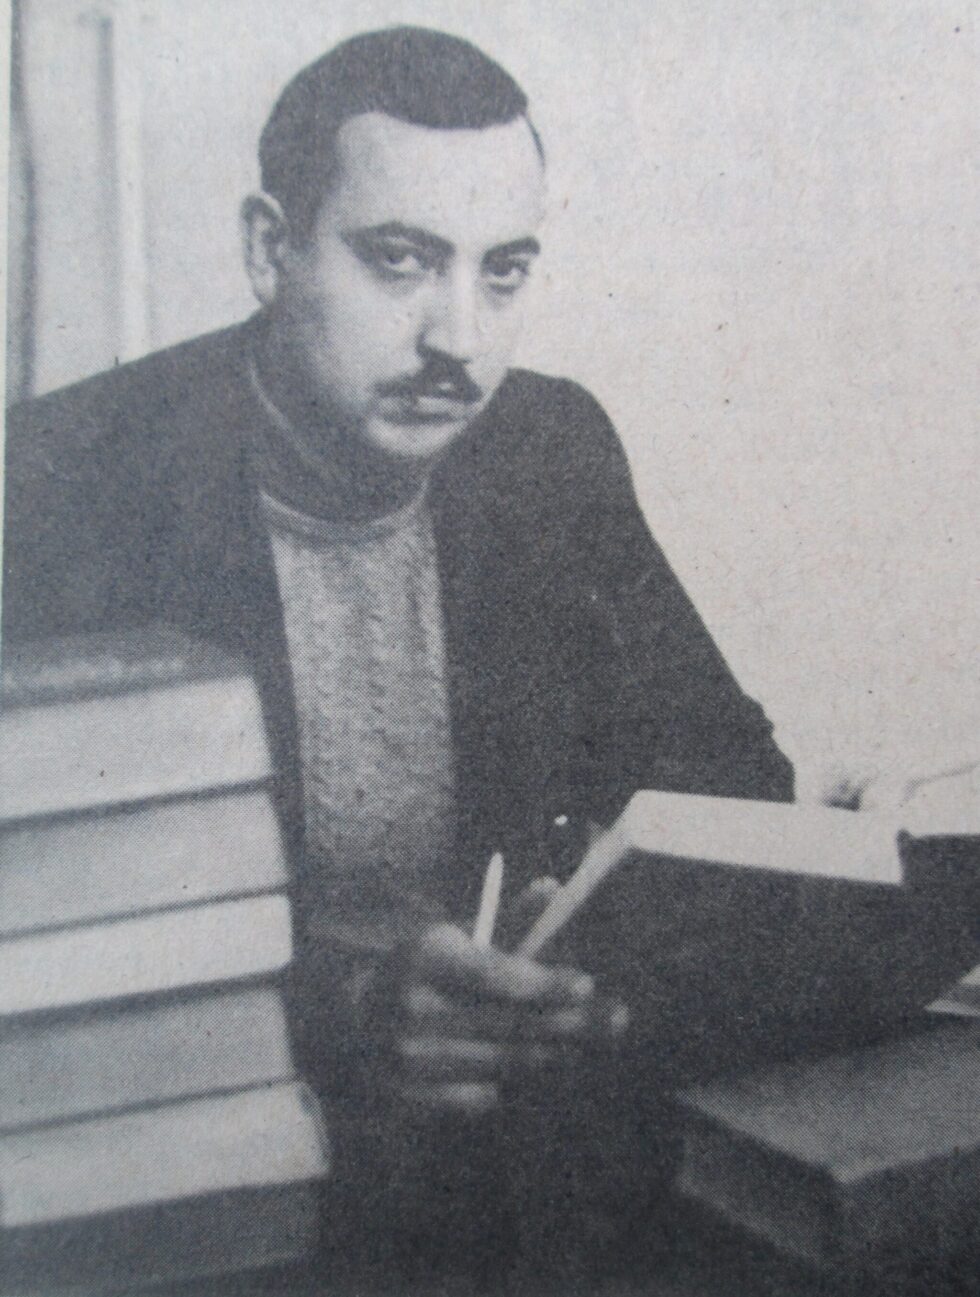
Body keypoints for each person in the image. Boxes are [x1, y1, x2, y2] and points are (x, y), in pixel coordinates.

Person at [2, 25, 794, 1278]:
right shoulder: (62, 481)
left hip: (515, 1185)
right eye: (399, 261)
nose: (456, 340)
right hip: (210, 1210)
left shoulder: (548, 445)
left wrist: (589, 927)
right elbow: (41, 935)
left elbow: (733, 786)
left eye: (502, 272)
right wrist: (347, 1005)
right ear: (268, 250)